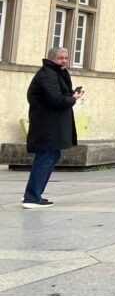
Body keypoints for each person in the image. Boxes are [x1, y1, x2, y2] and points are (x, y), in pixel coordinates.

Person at [23, 47, 84, 208]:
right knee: (45, 159)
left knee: (49, 157)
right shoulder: (48, 74)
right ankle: (32, 197)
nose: (64, 60)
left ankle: (34, 195)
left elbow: (59, 95)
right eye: (60, 58)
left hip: (52, 124)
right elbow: (56, 100)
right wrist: (74, 98)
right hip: (47, 125)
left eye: (66, 57)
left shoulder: (57, 73)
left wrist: (72, 94)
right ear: (51, 59)